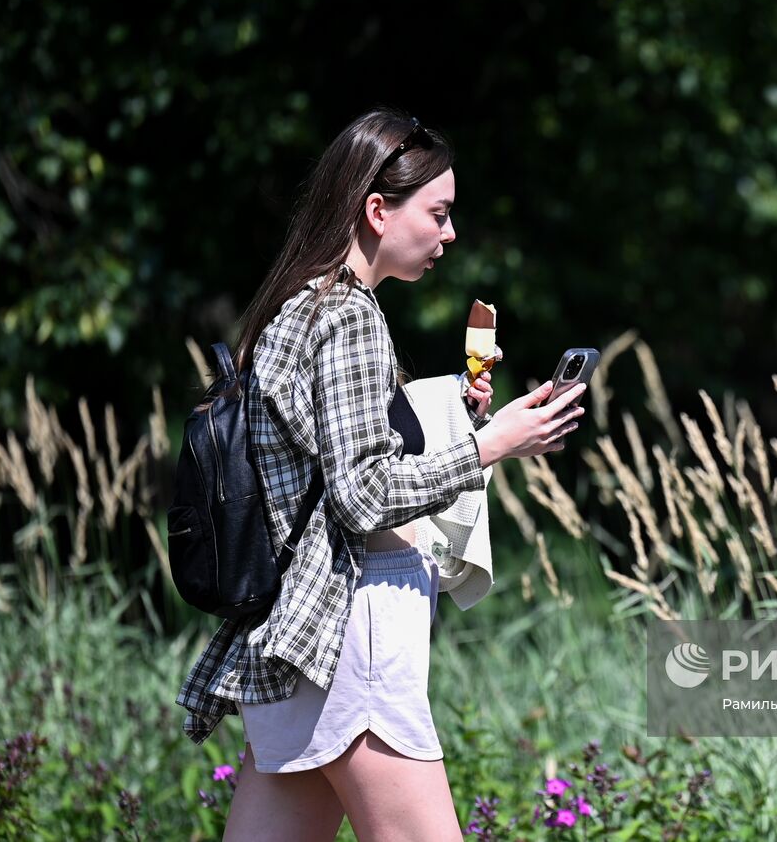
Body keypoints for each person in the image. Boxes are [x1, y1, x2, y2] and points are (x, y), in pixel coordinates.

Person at [174, 107, 585, 841]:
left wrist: (449, 409)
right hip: (352, 637)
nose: (449, 233)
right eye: (439, 212)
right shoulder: (351, 315)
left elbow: (326, 452)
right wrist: (493, 444)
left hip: (297, 641)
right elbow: (362, 492)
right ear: (376, 209)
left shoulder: (298, 305)